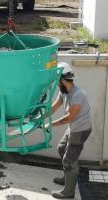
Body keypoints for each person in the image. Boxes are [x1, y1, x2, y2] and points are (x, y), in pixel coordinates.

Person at [45, 62, 92, 199]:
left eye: (57, 81)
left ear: (62, 79)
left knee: (69, 160)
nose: (57, 84)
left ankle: (69, 192)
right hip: (74, 127)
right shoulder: (64, 92)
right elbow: (53, 108)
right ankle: (68, 177)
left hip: (81, 130)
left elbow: (68, 118)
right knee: (61, 148)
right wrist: (41, 117)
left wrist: (49, 125)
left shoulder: (78, 95)